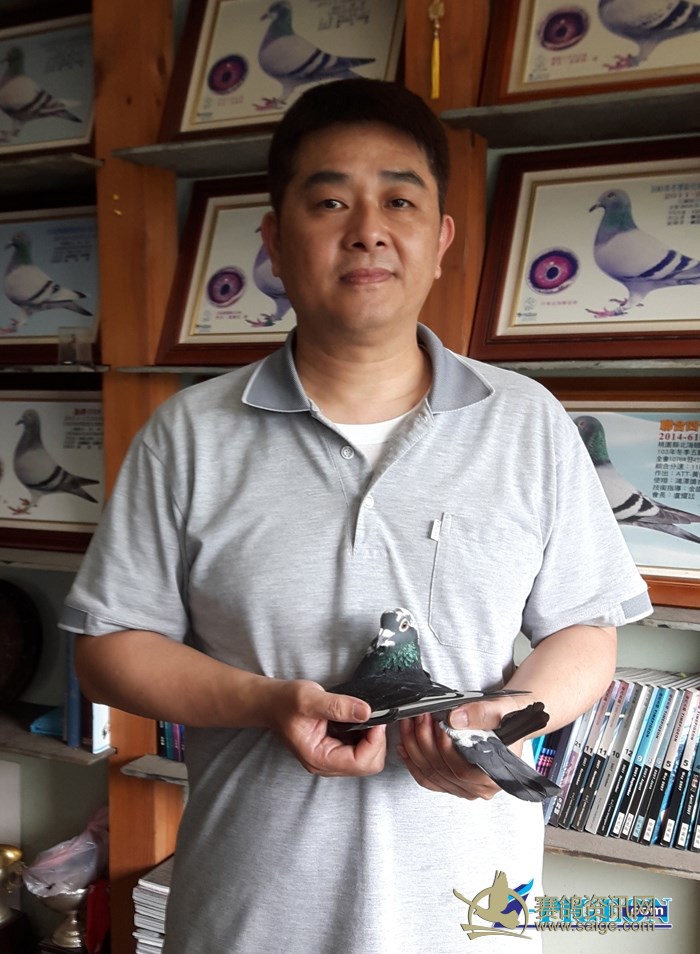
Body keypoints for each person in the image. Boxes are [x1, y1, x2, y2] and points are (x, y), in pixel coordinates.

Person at [61, 78, 652, 953]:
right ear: (275, 241)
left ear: (440, 239)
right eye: (331, 200)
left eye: (399, 200)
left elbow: (587, 633)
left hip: (470, 921)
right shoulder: (188, 435)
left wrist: (505, 719)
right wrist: (266, 703)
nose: (368, 229)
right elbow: (108, 648)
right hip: (250, 918)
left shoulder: (528, 422)